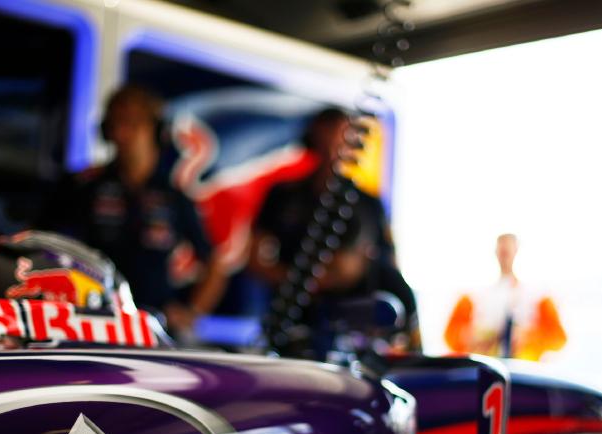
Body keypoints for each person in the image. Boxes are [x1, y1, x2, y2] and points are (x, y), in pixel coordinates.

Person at [42, 84, 226, 333]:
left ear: (156, 130)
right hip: (94, 320)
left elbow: (214, 264)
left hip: (153, 325)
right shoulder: (84, 187)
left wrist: (190, 313)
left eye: (131, 123)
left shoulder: (173, 197)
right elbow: (40, 242)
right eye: (114, 124)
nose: (122, 133)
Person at [248, 107, 420, 355]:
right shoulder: (284, 195)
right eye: (331, 132)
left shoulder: (366, 203)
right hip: (295, 317)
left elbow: (385, 265)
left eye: (344, 133)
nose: (336, 141)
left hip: (356, 322)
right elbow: (254, 257)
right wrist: (297, 281)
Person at [444, 233, 566, 360]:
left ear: (516, 251)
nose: (505, 256)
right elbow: (450, 336)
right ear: (495, 252)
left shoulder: (538, 295)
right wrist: (468, 336)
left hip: (524, 372)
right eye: (502, 250)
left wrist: (528, 337)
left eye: (508, 250)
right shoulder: (473, 296)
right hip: (486, 371)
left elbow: (559, 338)